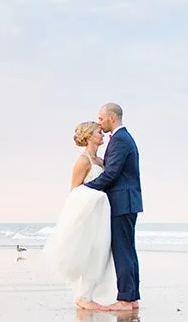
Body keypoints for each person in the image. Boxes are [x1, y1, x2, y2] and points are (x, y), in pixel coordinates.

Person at [41, 121, 117, 308]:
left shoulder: (101, 160)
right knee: (89, 251)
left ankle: (87, 295)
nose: (102, 135)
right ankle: (83, 297)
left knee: (100, 251)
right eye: (99, 132)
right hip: (88, 213)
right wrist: (96, 196)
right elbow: (74, 190)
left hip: (101, 213)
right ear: (90, 135)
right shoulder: (84, 161)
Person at [84, 102, 142, 310]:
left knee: (122, 250)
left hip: (122, 202)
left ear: (111, 118)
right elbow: (113, 168)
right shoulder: (123, 139)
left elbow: (111, 175)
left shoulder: (120, 140)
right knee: (128, 249)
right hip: (127, 201)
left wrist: (85, 189)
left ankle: (126, 299)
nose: (99, 122)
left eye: (101, 118)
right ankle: (132, 297)